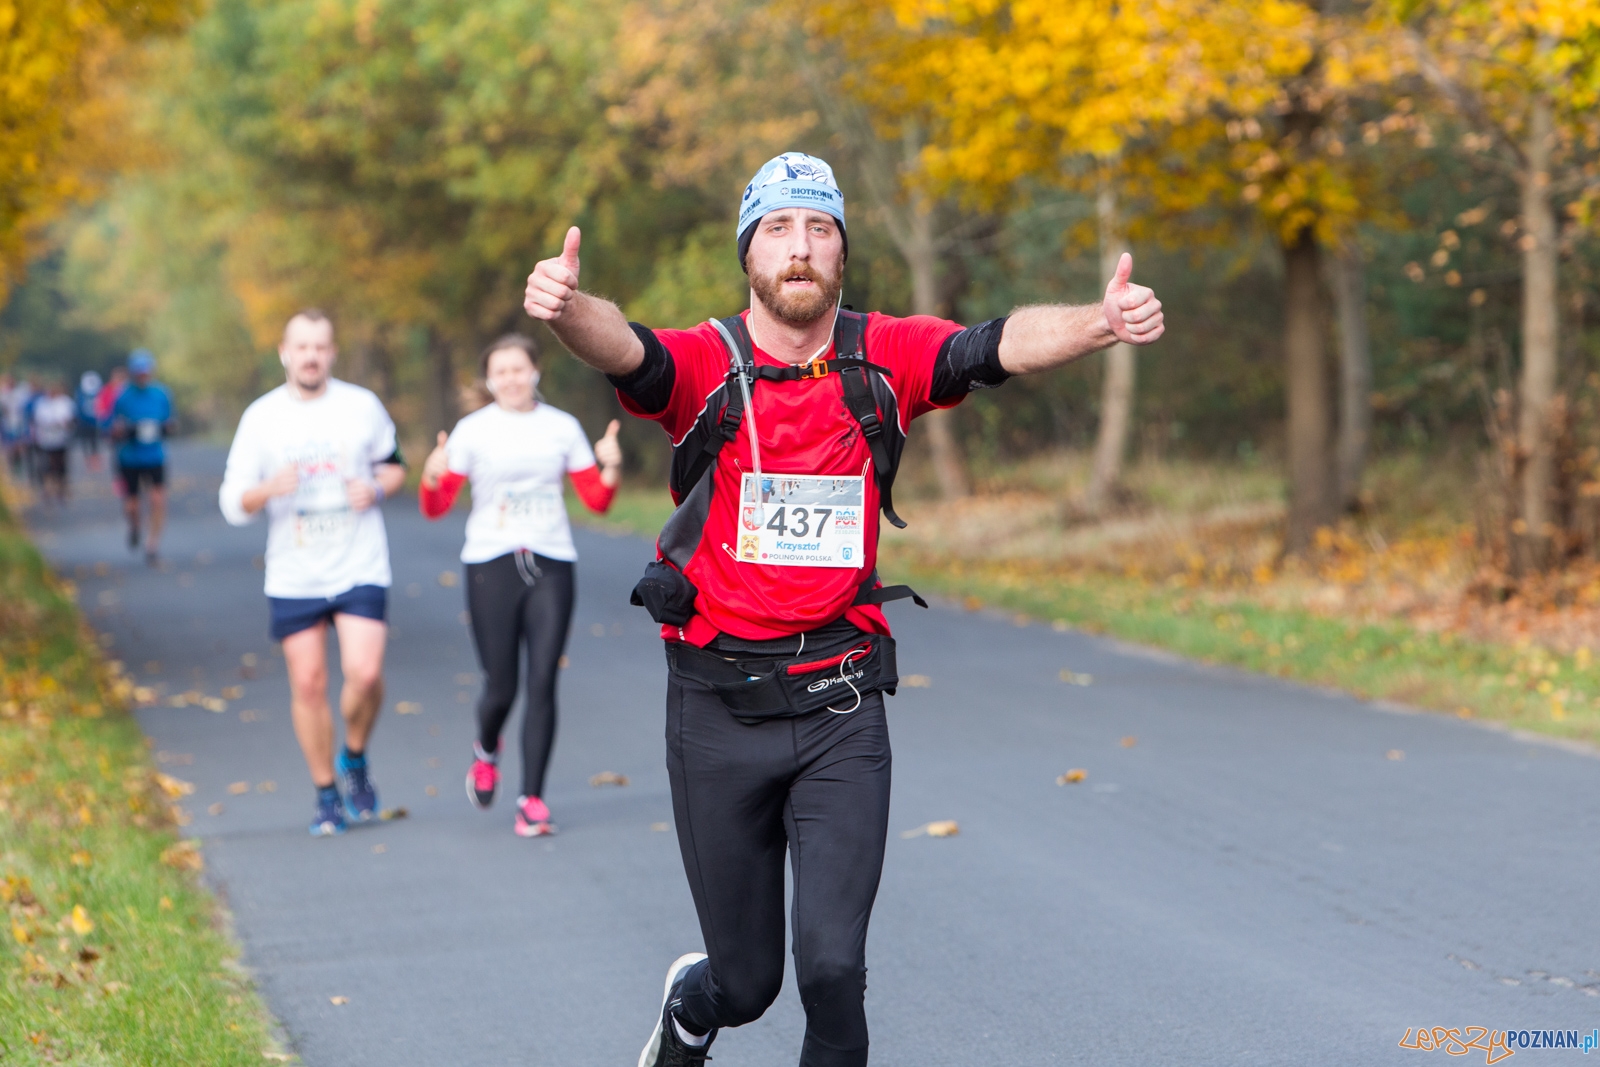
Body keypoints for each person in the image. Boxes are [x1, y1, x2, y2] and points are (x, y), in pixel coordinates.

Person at [523, 152, 1166, 1067]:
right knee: (748, 984)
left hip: (840, 701)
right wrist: (565, 309)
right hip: (716, 705)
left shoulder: (882, 356)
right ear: (749, 252)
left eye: (819, 229)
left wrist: (1100, 323)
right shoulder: (713, 361)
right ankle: (691, 1010)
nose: (800, 247)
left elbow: (991, 345)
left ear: (840, 255)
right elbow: (630, 349)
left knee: (831, 968)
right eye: (779, 228)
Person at [417, 333, 624, 837]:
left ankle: (532, 797)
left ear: (535, 372)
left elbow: (596, 500)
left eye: (519, 368)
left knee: (543, 682)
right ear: (489, 381)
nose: (511, 378)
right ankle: (486, 748)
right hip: (491, 563)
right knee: (501, 686)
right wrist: (430, 474)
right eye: (501, 371)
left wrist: (612, 464)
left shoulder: (561, 428)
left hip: (552, 562)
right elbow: (435, 507)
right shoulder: (472, 431)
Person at [218, 310, 406, 837]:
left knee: (365, 674)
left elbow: (395, 465)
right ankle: (326, 794)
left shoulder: (361, 406)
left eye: (320, 346)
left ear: (332, 353)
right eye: (301, 346)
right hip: (295, 570)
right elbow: (233, 502)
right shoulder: (261, 418)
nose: (310, 356)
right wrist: (265, 490)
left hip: (359, 561)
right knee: (308, 682)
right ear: (284, 352)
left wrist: (376, 488)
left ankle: (354, 755)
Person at [110, 350, 175, 563]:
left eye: (146, 372)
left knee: (158, 499)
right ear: (132, 373)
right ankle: (135, 525)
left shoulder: (161, 394)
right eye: (139, 373)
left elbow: (170, 421)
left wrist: (166, 427)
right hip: (130, 457)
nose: (143, 376)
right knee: (132, 505)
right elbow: (110, 425)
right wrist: (121, 430)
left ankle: (152, 545)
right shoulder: (122, 396)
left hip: (155, 456)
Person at [31, 380, 77, 505]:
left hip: (62, 438)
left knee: (61, 463)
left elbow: (70, 418)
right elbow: (38, 419)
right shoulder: (42, 404)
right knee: (48, 463)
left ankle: (61, 486)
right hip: (46, 439)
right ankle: (49, 487)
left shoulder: (65, 402)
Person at [0, 373, 30, 477]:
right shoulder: (3, 394)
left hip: (18, 424)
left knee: (19, 448)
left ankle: (18, 468)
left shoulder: (20, 393)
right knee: (9, 449)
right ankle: (12, 470)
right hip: (7, 424)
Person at [76, 370, 104, 471]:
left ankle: (94, 460)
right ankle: (88, 460)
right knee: (86, 441)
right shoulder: (80, 392)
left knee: (94, 441)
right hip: (84, 422)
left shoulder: (98, 392)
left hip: (94, 421)